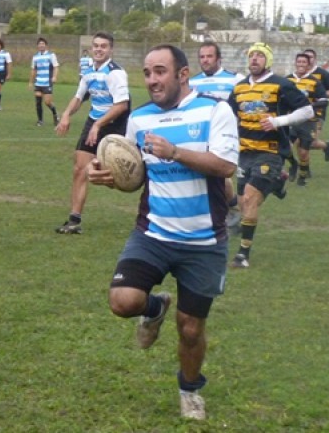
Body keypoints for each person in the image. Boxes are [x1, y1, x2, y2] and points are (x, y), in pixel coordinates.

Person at [89, 44, 238, 421]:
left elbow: (225, 165)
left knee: (190, 329)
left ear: (183, 74)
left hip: (203, 241)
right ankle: (155, 308)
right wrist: (107, 175)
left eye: (160, 71)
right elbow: (134, 174)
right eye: (147, 73)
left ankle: (190, 390)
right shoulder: (139, 119)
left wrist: (175, 152)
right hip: (153, 234)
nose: (152, 80)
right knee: (122, 301)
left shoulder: (214, 111)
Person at [226, 43, 313, 269]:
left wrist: (278, 121)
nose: (254, 59)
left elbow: (308, 110)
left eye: (260, 55)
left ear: (268, 60)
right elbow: (228, 116)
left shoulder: (281, 84)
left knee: (250, 198)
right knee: (244, 203)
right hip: (245, 152)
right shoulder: (239, 88)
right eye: (251, 55)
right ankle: (275, 183)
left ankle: (243, 255)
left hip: (271, 151)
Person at [54, 32, 130, 234]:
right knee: (79, 168)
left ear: (111, 49)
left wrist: (98, 125)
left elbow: (122, 105)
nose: (98, 49)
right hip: (95, 121)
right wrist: (66, 115)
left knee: (120, 174)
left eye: (103, 46)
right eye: (96, 45)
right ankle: (74, 221)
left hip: (115, 123)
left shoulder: (115, 73)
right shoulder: (88, 72)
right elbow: (79, 97)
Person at [189, 41, 245, 230]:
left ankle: (231, 209)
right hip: (199, 135)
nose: (205, 60)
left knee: (220, 173)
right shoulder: (192, 82)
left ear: (219, 58)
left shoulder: (235, 79)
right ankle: (228, 209)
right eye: (202, 57)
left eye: (209, 56)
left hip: (225, 135)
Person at [283, 53, 329, 186]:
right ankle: (293, 163)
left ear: (308, 65)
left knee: (303, 152)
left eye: (304, 62)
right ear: (295, 63)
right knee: (285, 147)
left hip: (308, 121)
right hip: (291, 120)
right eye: (299, 62)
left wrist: (310, 106)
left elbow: (324, 100)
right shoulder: (287, 80)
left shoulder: (314, 82)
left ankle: (302, 177)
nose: (301, 64)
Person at [29, 37, 60, 126]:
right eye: (39, 44)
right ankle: (40, 120)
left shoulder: (51, 55)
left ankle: (55, 114)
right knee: (38, 101)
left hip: (47, 82)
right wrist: (31, 82)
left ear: (46, 45)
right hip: (38, 82)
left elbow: (56, 67)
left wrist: (54, 77)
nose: (41, 45)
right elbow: (33, 70)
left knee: (47, 102)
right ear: (37, 46)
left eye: (43, 44)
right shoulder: (35, 57)